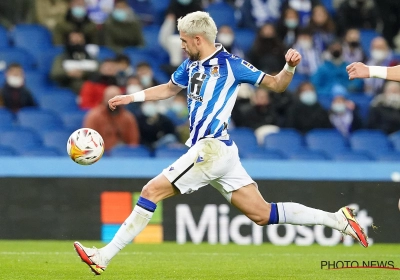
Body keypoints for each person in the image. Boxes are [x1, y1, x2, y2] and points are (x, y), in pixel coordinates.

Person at [73, 11, 368, 276]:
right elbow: (167, 89)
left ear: (198, 39)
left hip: (211, 149)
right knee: (261, 214)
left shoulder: (232, 65)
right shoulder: (189, 65)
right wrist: (131, 97)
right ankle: (338, 220)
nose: (182, 45)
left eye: (184, 40)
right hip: (218, 151)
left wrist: (289, 68)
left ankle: (103, 256)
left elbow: (277, 84)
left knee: (151, 191)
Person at [83, 85, 140, 151]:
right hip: (101, 155)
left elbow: (133, 141)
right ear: (104, 98)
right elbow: (89, 140)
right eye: (110, 98)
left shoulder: (128, 117)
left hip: (122, 156)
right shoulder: (94, 116)